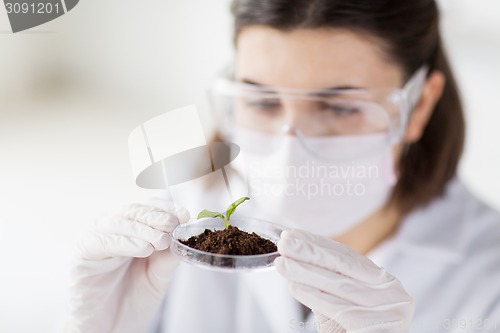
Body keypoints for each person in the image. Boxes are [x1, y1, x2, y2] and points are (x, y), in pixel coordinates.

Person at [64, 1, 500, 332]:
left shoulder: (488, 282)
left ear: (419, 105)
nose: (291, 151)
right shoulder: (185, 213)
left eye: (340, 107)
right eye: (263, 100)